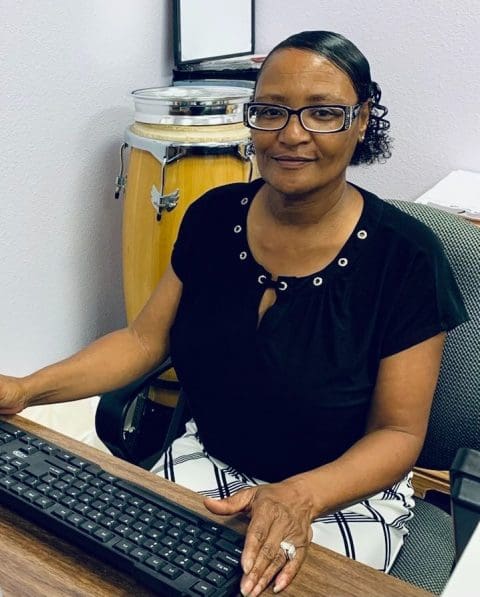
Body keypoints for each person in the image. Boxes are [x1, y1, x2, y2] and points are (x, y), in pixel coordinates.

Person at [0, 30, 468, 596]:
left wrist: (300, 497)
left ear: (362, 120)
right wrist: (26, 388)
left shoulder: (406, 257)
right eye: (271, 111)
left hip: (337, 494)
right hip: (209, 458)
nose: (292, 134)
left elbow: (397, 433)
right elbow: (144, 341)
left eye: (322, 113)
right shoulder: (214, 217)